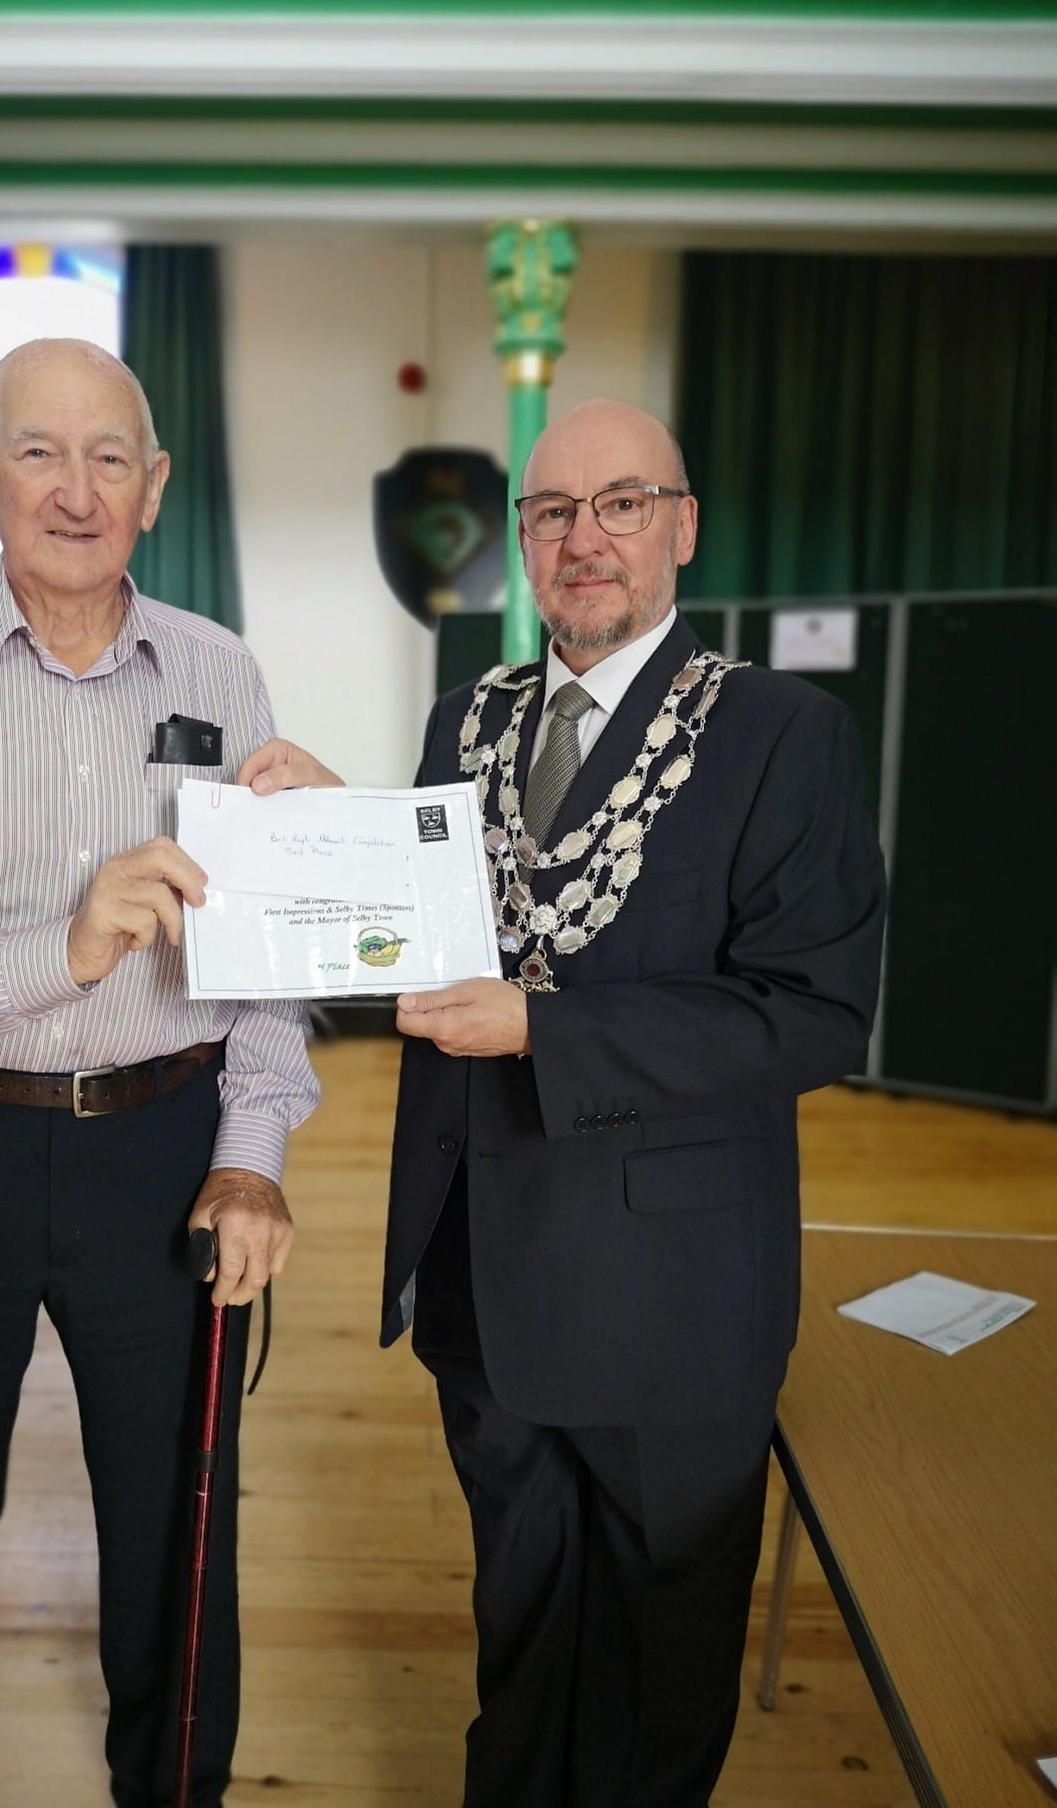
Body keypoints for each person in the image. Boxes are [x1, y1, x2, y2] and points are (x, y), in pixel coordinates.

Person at [0, 337, 338, 1808]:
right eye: (36, 452)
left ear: (154, 487)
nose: (75, 490)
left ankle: (172, 1790)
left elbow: (263, 966)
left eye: (110, 457)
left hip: (163, 1152)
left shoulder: (221, 667)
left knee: (178, 1528)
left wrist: (253, 1154)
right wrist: (67, 939)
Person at [380, 399, 886, 1807]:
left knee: (661, 1663)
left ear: (680, 526)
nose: (580, 536)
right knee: (520, 1624)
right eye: (551, 510)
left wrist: (545, 1030)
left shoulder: (783, 731)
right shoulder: (462, 716)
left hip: (669, 1290)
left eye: (618, 502)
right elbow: (421, 934)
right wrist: (315, 833)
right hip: (480, 1260)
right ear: (522, 542)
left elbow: (809, 1010)